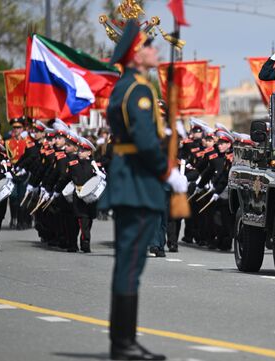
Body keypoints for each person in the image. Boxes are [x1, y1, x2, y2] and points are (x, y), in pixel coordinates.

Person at [100, 20, 186, 360]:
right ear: (136, 55)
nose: (156, 50)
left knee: (129, 265)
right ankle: (123, 345)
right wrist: (167, 172)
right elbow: (145, 140)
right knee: (130, 266)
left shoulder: (130, 86)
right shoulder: (137, 90)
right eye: (149, 46)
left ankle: (124, 342)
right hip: (136, 181)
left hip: (132, 178)